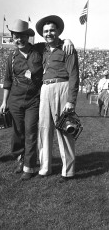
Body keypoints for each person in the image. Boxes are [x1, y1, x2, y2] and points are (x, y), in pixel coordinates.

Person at [0, 19, 74, 180]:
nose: (19, 40)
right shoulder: (11, 57)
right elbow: (7, 81)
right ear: (12, 38)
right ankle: (21, 158)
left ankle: (29, 167)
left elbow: (55, 42)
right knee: (18, 133)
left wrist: (68, 40)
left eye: (22, 36)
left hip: (34, 99)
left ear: (28, 37)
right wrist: (4, 101)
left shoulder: (39, 49)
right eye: (15, 37)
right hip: (15, 100)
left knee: (32, 132)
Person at [35, 15, 79, 181]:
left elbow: (74, 75)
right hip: (45, 89)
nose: (49, 33)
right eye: (46, 31)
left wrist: (71, 100)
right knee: (44, 129)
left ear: (59, 31)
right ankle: (45, 168)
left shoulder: (67, 48)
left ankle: (68, 171)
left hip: (62, 87)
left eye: (52, 30)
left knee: (64, 128)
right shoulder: (42, 49)